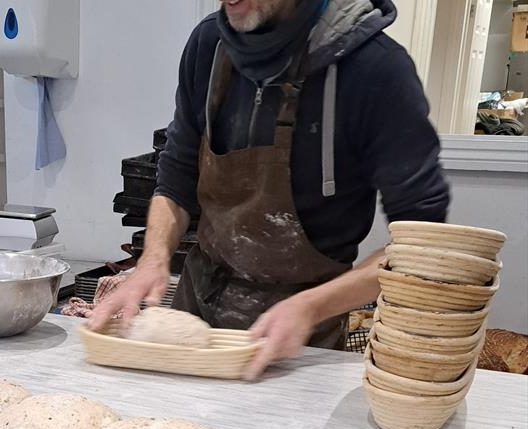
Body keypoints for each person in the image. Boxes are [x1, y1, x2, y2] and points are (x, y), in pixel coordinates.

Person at [89, 0, 449, 379]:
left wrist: (311, 307)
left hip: (299, 339)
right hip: (194, 313)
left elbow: (420, 247)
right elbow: (176, 175)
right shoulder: (208, 46)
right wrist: (154, 257)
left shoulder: (376, 71)